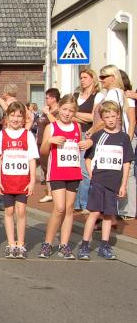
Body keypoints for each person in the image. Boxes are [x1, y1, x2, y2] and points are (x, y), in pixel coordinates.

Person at [78, 101, 133, 260]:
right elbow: (88, 158)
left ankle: (104, 246)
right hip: (99, 181)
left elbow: (126, 162)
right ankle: (85, 245)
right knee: (94, 213)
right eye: (106, 116)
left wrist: (123, 184)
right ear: (102, 118)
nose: (110, 119)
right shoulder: (98, 136)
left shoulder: (124, 138)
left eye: (113, 116)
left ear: (118, 117)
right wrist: (92, 175)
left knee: (109, 214)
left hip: (114, 182)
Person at [39, 95, 87, 259]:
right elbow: (43, 152)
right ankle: (47, 243)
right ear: (59, 108)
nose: (67, 113)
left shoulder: (77, 127)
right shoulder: (51, 127)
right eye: (65, 109)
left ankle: (64, 245)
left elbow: (79, 147)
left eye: (71, 111)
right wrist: (50, 141)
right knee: (59, 208)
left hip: (73, 171)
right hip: (57, 172)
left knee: (69, 208)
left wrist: (86, 144)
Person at [0, 102, 39, 259]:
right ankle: (11, 244)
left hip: (22, 180)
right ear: (7, 117)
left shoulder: (28, 135)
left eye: (19, 116)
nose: (16, 118)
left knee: (20, 211)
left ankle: (21, 244)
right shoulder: (1, 135)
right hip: (7, 180)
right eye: (12, 115)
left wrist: (32, 181)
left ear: (24, 118)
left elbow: (32, 159)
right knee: (9, 211)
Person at [92, 65, 136, 220]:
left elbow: (108, 118)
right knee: (126, 172)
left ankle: (112, 211)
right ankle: (125, 210)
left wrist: (92, 132)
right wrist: (129, 137)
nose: (101, 79)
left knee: (110, 172)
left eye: (104, 76)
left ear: (113, 77)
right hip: (123, 137)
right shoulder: (123, 94)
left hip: (115, 138)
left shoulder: (112, 93)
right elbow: (131, 119)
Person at [73, 69, 102, 214]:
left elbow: (93, 117)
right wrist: (75, 116)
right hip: (75, 133)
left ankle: (85, 203)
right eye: (80, 77)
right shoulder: (77, 95)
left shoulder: (97, 96)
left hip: (89, 134)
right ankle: (76, 203)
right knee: (75, 167)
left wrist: (74, 113)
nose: (82, 80)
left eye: (85, 77)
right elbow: (67, 115)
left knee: (85, 169)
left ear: (92, 78)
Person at [36, 88, 61, 203]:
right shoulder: (46, 110)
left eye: (47, 98)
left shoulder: (58, 111)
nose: (45, 100)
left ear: (53, 98)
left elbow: (56, 124)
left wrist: (47, 113)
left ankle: (52, 193)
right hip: (41, 142)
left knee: (50, 168)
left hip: (50, 142)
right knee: (45, 168)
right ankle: (50, 191)